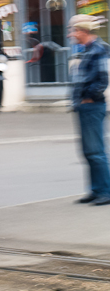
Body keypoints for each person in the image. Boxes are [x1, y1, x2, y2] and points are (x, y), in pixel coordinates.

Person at [68, 14, 110, 206]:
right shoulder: (87, 50)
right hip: (85, 107)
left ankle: (105, 192)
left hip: (92, 106)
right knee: (88, 152)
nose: (71, 34)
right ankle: (95, 190)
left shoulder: (98, 49)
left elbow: (102, 79)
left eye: (74, 31)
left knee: (96, 151)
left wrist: (88, 97)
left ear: (83, 31)